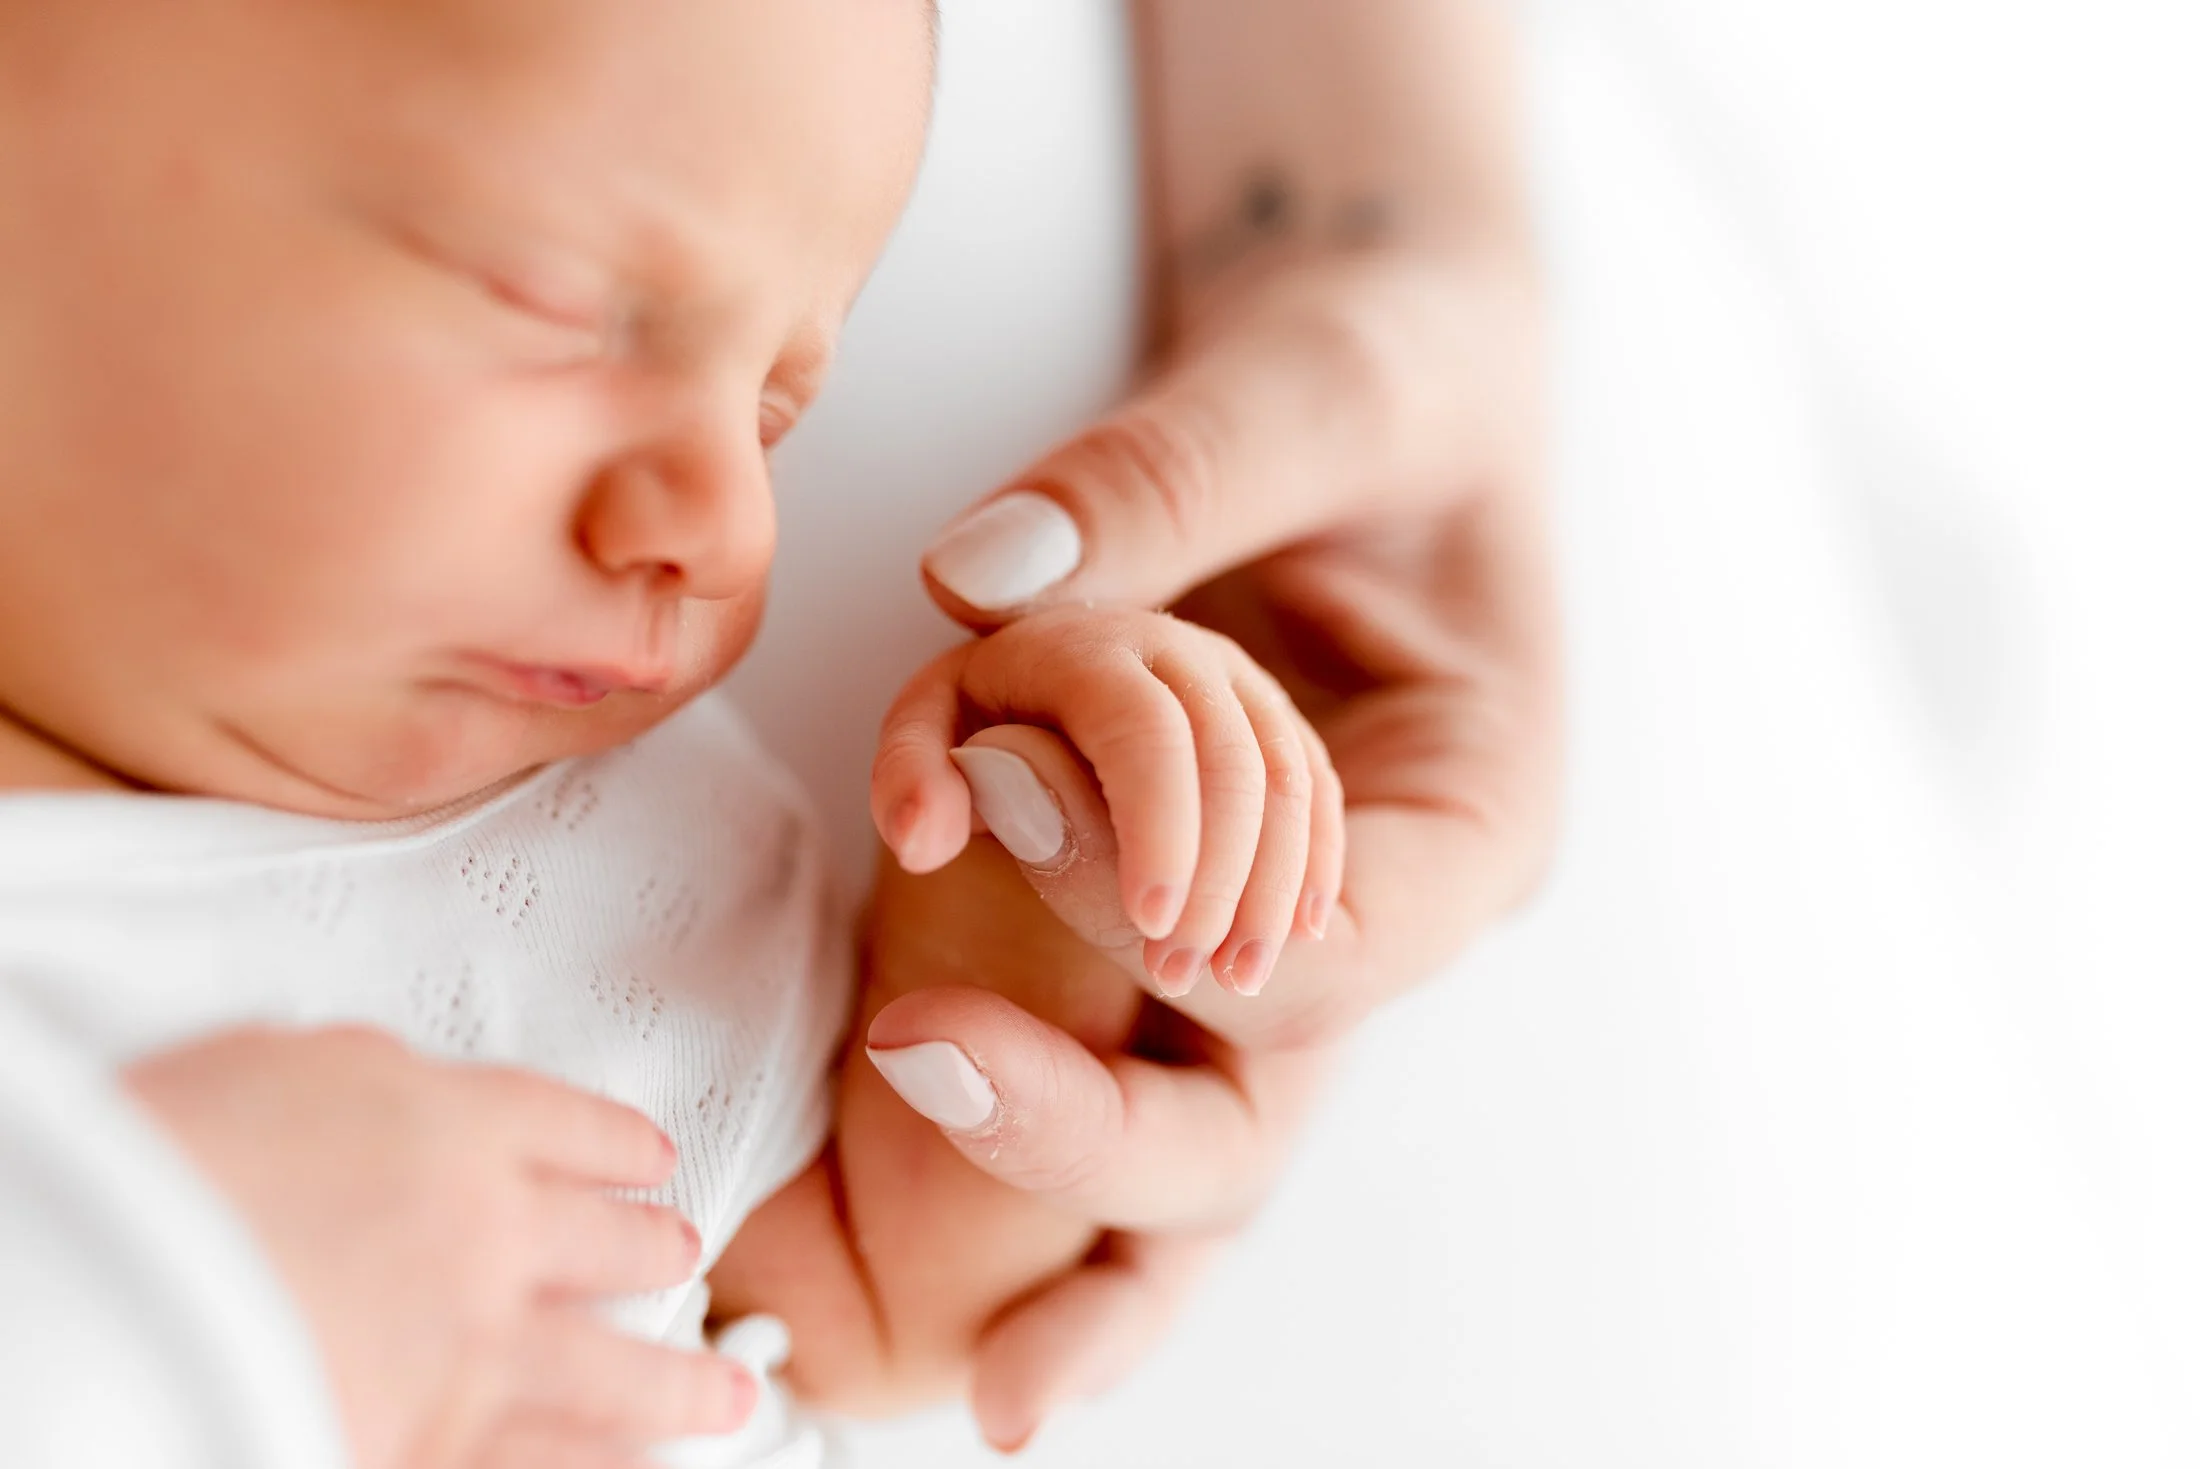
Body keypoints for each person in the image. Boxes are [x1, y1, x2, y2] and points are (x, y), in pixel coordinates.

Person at [1, 1, 1551, 1466]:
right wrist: (170, 1294)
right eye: (552, 300)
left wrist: (1044, 871)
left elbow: (875, 1317)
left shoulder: (623, 873)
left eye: (770, 417)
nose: (728, 524)